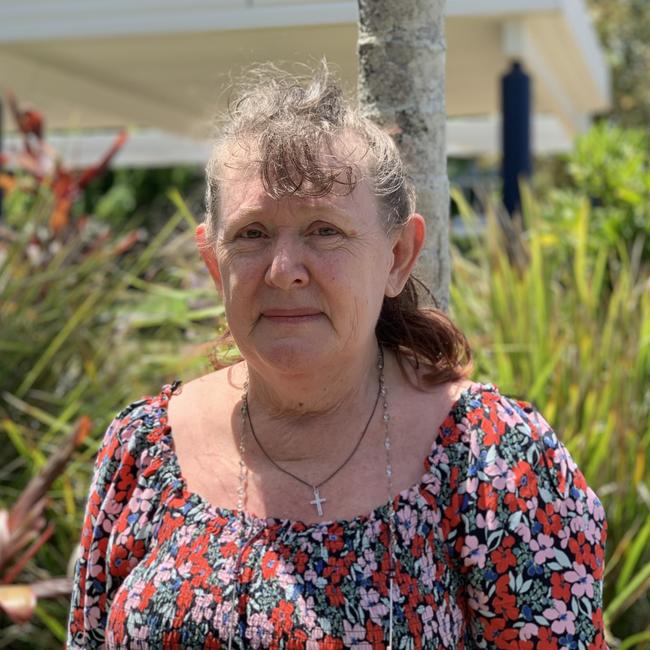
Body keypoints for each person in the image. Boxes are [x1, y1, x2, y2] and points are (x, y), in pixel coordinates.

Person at [67, 64, 607, 649]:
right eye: (251, 234)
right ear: (212, 261)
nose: (283, 270)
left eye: (324, 231)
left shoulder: (492, 462)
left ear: (399, 256)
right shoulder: (142, 450)